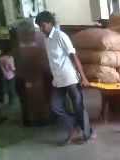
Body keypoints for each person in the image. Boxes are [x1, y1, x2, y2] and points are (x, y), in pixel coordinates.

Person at [35, 11, 94, 145]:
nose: (41, 29)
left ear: (50, 23)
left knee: (78, 106)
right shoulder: (46, 39)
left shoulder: (61, 36)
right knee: (55, 106)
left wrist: (83, 77)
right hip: (57, 80)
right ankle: (74, 125)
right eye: (39, 26)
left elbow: (74, 57)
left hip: (70, 78)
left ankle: (86, 133)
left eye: (43, 25)